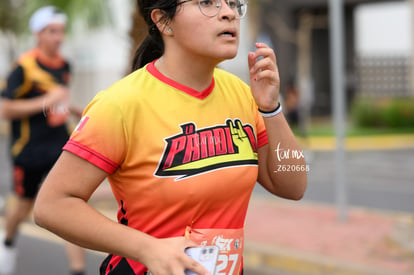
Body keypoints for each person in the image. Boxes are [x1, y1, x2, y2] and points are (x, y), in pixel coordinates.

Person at [33, 0, 308, 274]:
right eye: (207, 2)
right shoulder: (121, 104)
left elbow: (293, 185)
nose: (228, 13)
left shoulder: (241, 93)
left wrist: (271, 109)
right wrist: (147, 248)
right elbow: (52, 205)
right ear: (163, 21)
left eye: (233, 3)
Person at [0, 6, 86, 275]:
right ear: (38, 34)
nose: (58, 37)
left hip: (61, 147)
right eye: (52, 31)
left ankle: (78, 269)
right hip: (28, 150)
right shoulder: (24, 67)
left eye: (60, 31)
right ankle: (8, 243)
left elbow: (57, 103)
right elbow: (5, 109)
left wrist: (73, 109)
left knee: (69, 206)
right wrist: (44, 102)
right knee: (23, 207)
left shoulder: (65, 66)